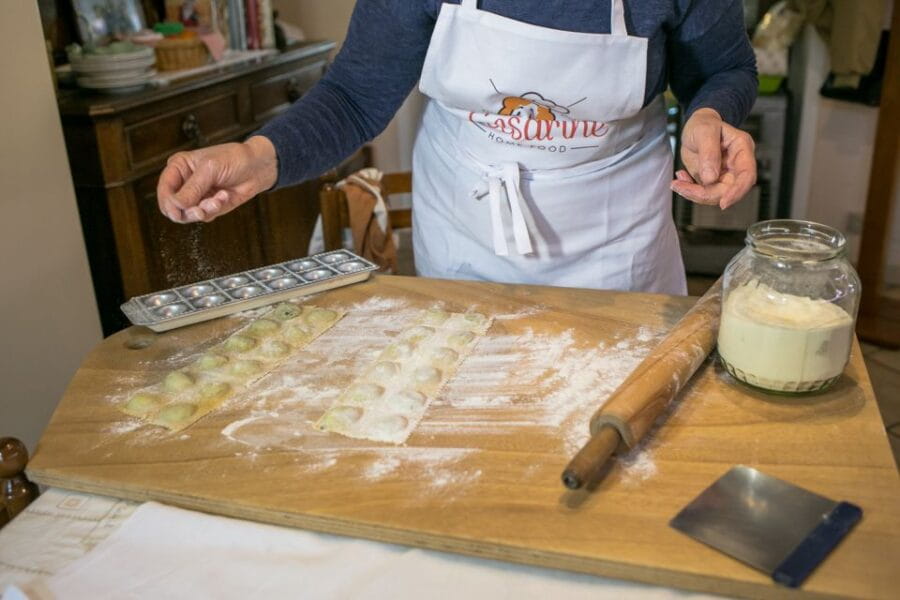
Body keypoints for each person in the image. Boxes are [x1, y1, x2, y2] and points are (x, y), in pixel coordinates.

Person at [157, 0, 757, 295]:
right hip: (467, 234)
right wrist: (259, 157)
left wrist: (710, 113)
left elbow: (726, 68)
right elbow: (355, 94)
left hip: (613, 243)